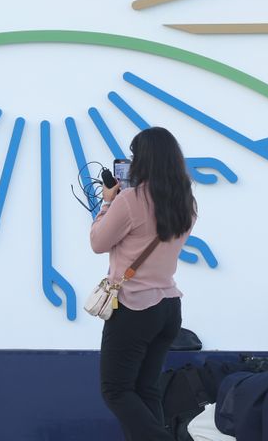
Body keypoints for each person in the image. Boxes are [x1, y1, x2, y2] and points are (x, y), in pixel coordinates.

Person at [91, 126, 197, 441]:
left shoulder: (130, 201)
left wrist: (108, 202)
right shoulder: (185, 201)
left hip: (134, 307)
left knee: (116, 391)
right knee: (145, 389)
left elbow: (98, 242)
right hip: (168, 307)